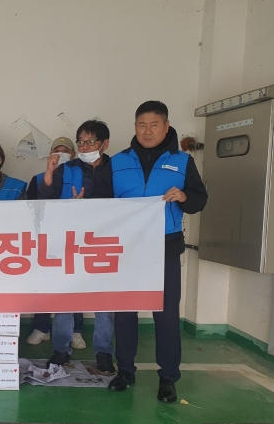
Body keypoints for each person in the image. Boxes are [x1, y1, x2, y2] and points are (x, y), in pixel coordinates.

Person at [109, 101, 207, 403]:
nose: (147, 130)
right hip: (126, 249)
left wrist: (184, 196)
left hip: (164, 248)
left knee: (166, 316)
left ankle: (168, 378)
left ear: (166, 126)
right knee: (124, 314)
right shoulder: (118, 161)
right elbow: (101, 202)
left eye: (154, 124)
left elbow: (199, 200)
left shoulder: (182, 161)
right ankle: (125, 371)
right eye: (142, 125)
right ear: (135, 127)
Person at [36, 120, 116, 374]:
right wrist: (50, 173)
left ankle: (104, 353)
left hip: (104, 243)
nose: (84, 147)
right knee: (65, 300)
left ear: (105, 144)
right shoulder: (67, 169)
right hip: (70, 244)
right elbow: (45, 199)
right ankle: (61, 350)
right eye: (81, 142)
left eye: (90, 142)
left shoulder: (117, 169)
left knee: (104, 303)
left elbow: (129, 200)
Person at [26, 137, 85, 348]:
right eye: (56, 150)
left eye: (65, 150)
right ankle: (41, 328)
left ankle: (76, 330)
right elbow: (31, 210)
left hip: (75, 240)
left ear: (74, 154)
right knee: (45, 284)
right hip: (47, 240)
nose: (61, 154)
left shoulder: (84, 175)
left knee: (73, 285)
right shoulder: (38, 178)